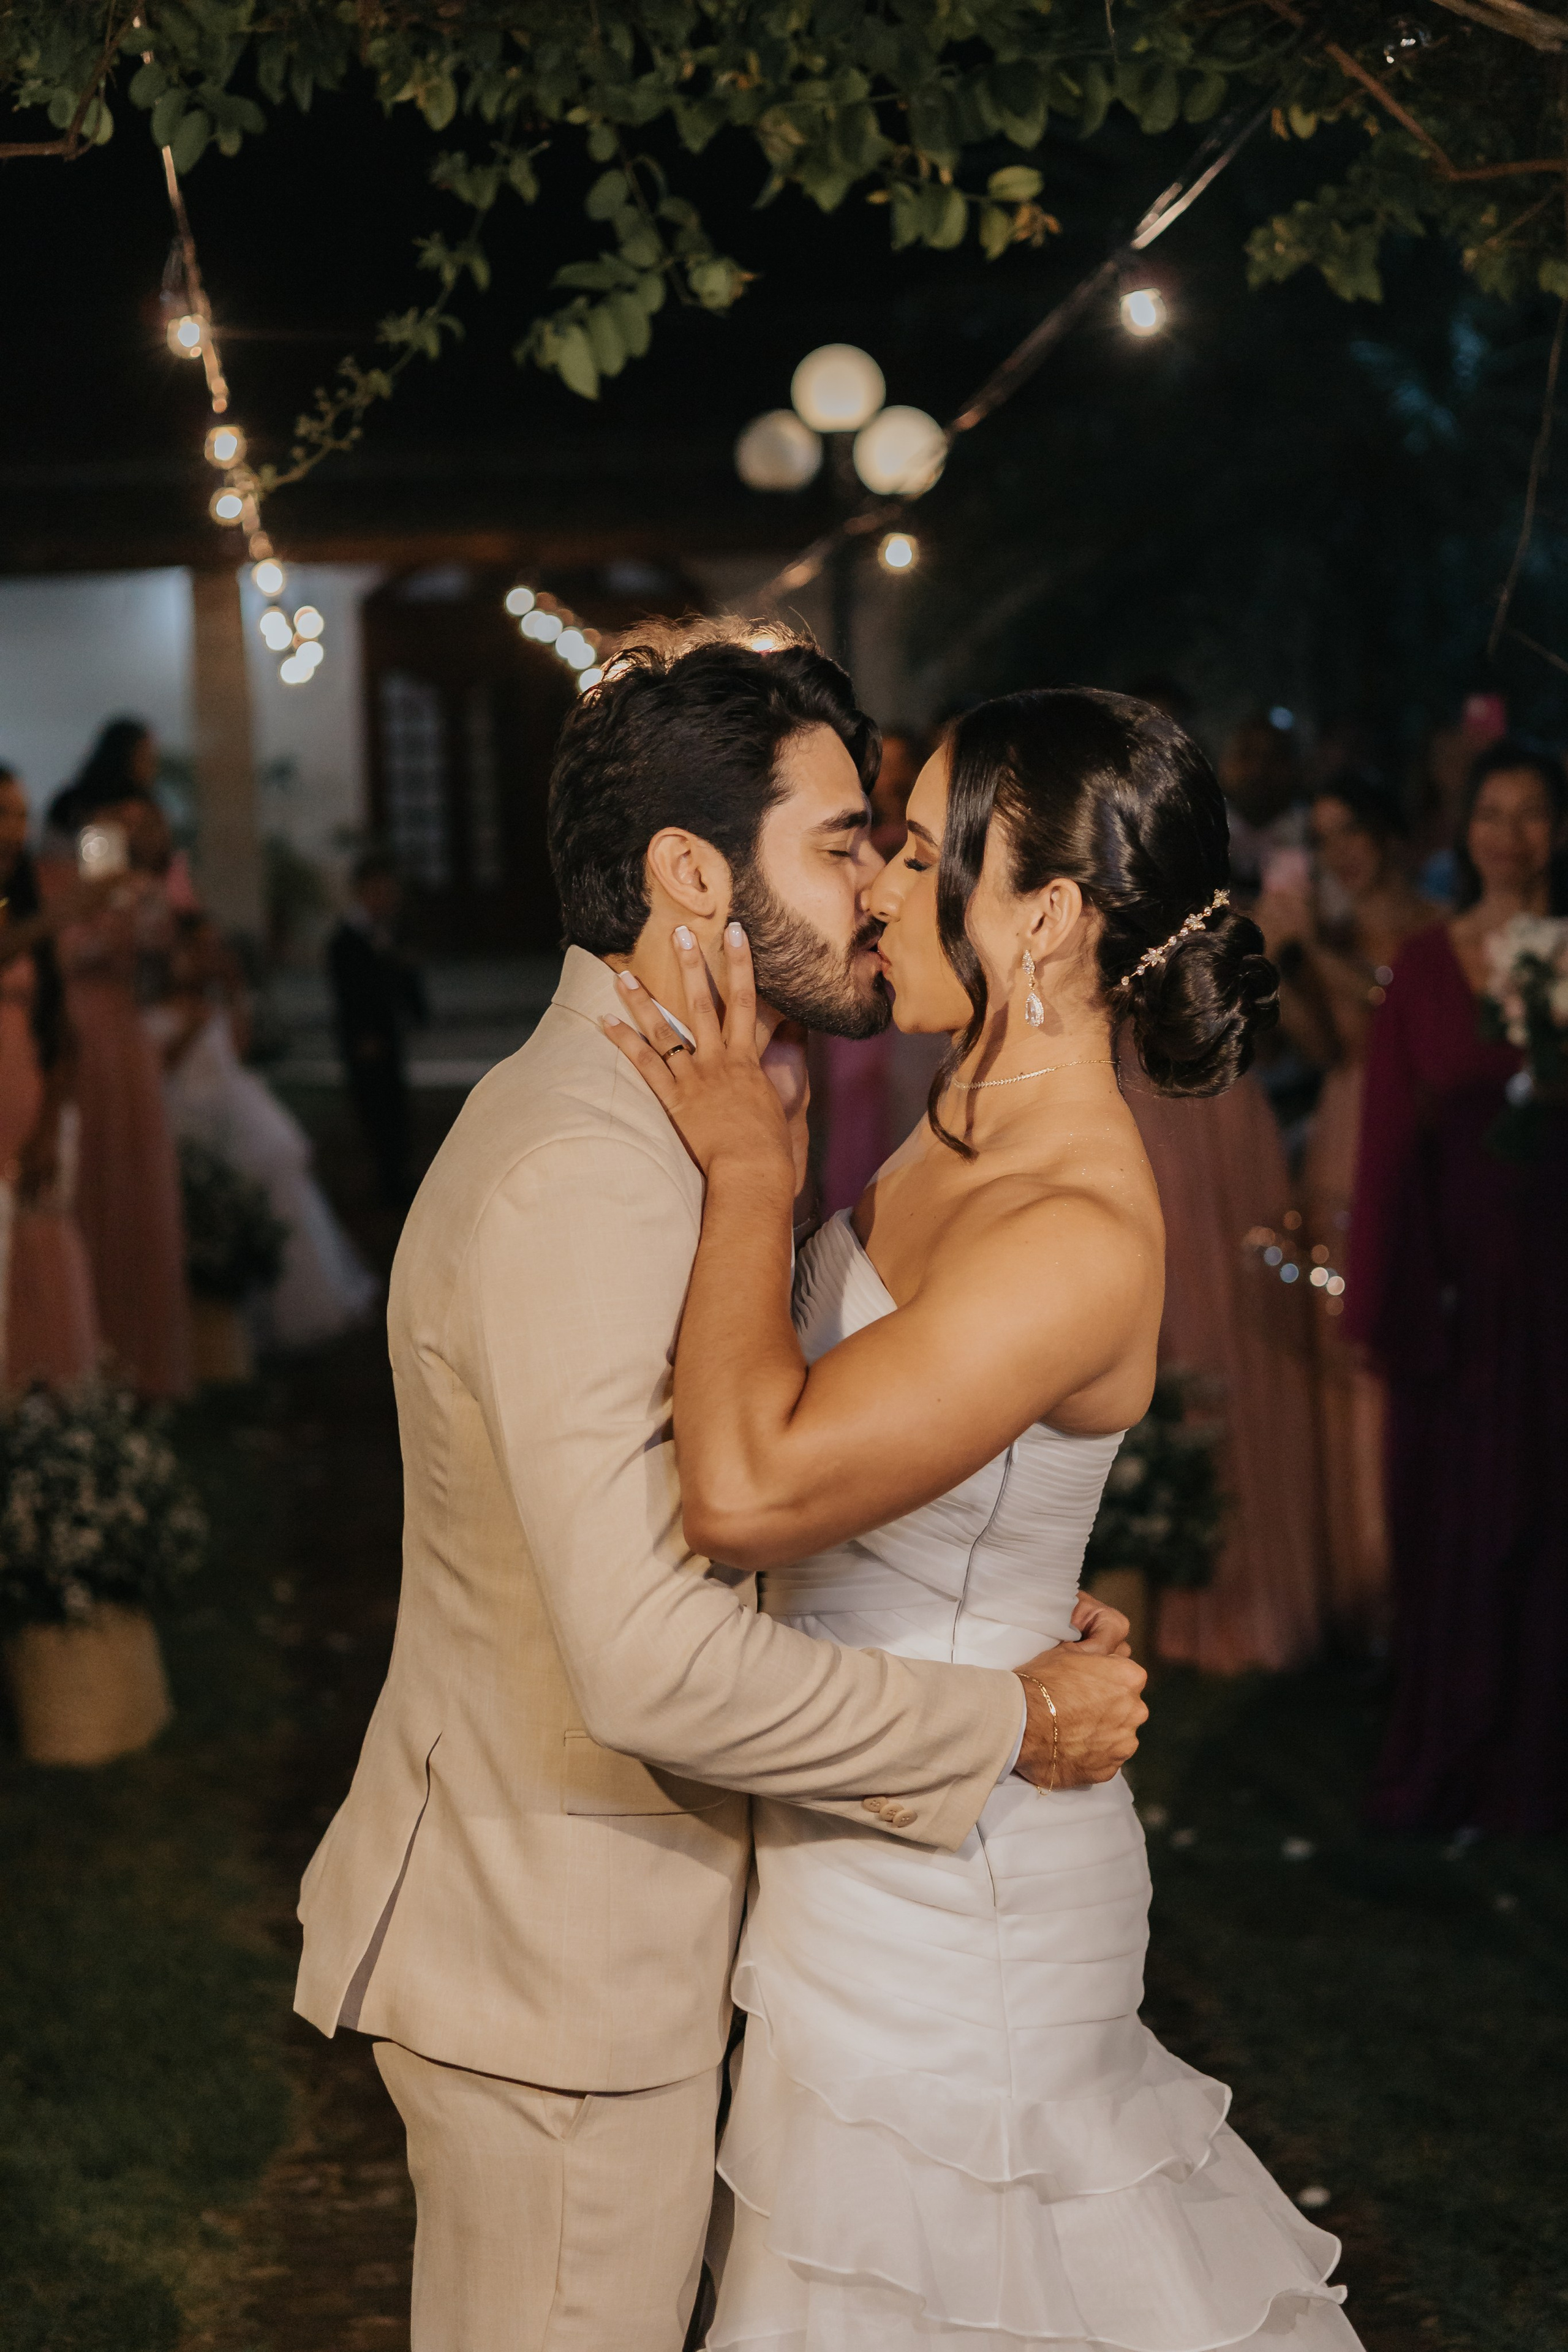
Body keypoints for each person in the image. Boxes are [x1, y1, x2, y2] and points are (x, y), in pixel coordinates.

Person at [293, 628, 1148, 2352]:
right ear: (692, 874)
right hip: (564, 1974)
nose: (883, 883)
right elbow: (649, 1662)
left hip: (635, 1944)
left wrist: (961, 1579)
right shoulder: (588, 1175)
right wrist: (1002, 1721)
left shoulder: (648, 1122)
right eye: (845, 841)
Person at [608, 688, 1360, 2350]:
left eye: (925, 850)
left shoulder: (1074, 1222)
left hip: (966, 1916)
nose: (877, 881)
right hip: (870, 1828)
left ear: (1051, 920)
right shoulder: (959, 1116)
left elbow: (744, 1492)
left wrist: (749, 1176)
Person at [1346, 740, 1568, 1833]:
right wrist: (1396, 1289)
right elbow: (1390, 1145)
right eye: (1495, 811)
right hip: (1467, 1291)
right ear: (1465, 828)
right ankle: (1464, 1743)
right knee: (1469, 1518)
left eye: (1533, 814)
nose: (1511, 834)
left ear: (1557, 832)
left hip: (1558, 1279)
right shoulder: (1427, 966)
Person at [1257, 776, 1434, 1646]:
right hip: (1339, 1146)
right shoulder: (1325, 937)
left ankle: (1412, 1587)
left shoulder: (1436, 933)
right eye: (1325, 840)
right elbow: (1327, 1047)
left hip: (1410, 1152)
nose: (1343, 854)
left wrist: (1312, 955)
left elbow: (1388, 1022)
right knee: (1337, 1375)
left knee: (1395, 1377)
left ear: (1391, 834)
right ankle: (1360, 1595)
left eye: (1354, 830)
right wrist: (1284, 960)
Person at [36, 728, 190, 1398]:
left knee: (138, 1177)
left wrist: (147, 896)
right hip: (83, 1028)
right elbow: (70, 952)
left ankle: (140, 1351)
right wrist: (107, 912)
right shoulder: (62, 878)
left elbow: (160, 952)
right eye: (117, 821)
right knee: (93, 1171)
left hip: (125, 1030)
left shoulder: (135, 882)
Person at [149, 914, 377, 1351]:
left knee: (283, 1183)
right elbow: (162, 1069)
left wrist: (234, 993)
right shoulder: (163, 1010)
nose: (208, 959)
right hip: (189, 1119)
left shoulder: (213, 1006)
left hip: (232, 1113)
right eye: (199, 949)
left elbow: (237, 1050)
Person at [0, 768, 100, 1389]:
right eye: (1, 813)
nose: (14, 829)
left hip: (21, 1103)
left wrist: (47, 1126)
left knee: (35, 1253)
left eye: (19, 814)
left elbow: (61, 1032)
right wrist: (68, 912)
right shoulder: (32, 918)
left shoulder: (20, 903)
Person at [326, 853, 428, 1208]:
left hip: (389, 1030)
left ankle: (397, 1176)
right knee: (374, 1107)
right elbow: (348, 995)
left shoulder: (394, 931)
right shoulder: (346, 939)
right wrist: (362, 1037)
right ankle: (385, 1182)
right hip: (364, 1037)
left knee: (395, 1105)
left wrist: (416, 1012)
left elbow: (408, 975)